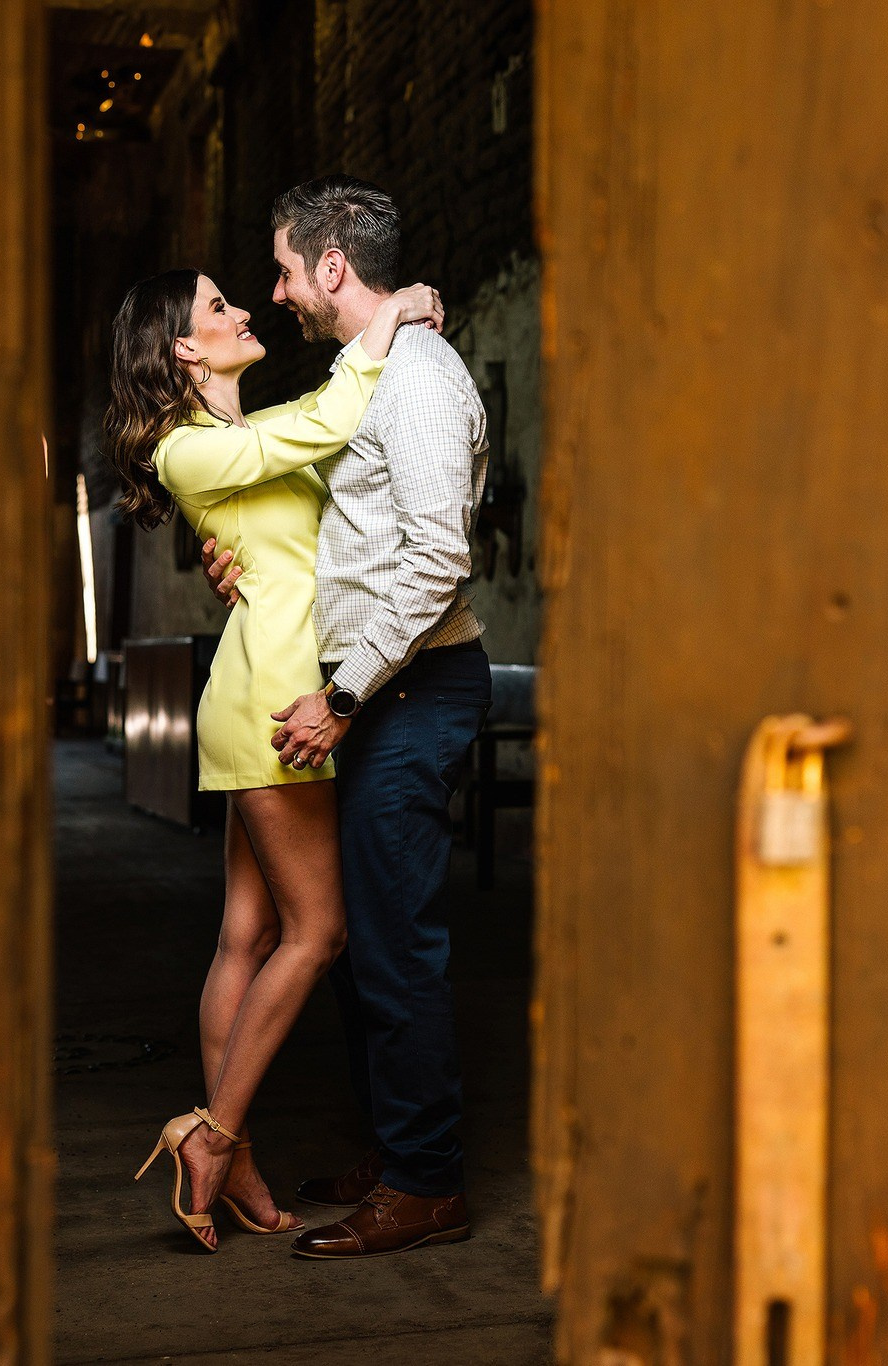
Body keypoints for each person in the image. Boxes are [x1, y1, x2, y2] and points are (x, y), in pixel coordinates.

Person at [106, 265, 444, 1251]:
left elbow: (296, 531)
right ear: (180, 347)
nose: (244, 310)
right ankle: (210, 1134)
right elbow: (321, 422)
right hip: (270, 710)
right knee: (317, 934)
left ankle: (233, 1154)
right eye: (218, 306)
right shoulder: (188, 449)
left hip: (261, 694)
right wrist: (386, 317)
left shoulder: (226, 446)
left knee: (246, 938)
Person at [202, 175, 493, 1260]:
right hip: (377, 689)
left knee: (395, 944)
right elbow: (342, 523)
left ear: (332, 266)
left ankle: (427, 1183)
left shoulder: (414, 379)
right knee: (365, 935)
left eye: (282, 268)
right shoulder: (363, 368)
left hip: (405, 690)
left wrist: (338, 693)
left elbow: (432, 561)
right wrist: (241, 560)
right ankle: (393, 1148)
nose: (274, 291)